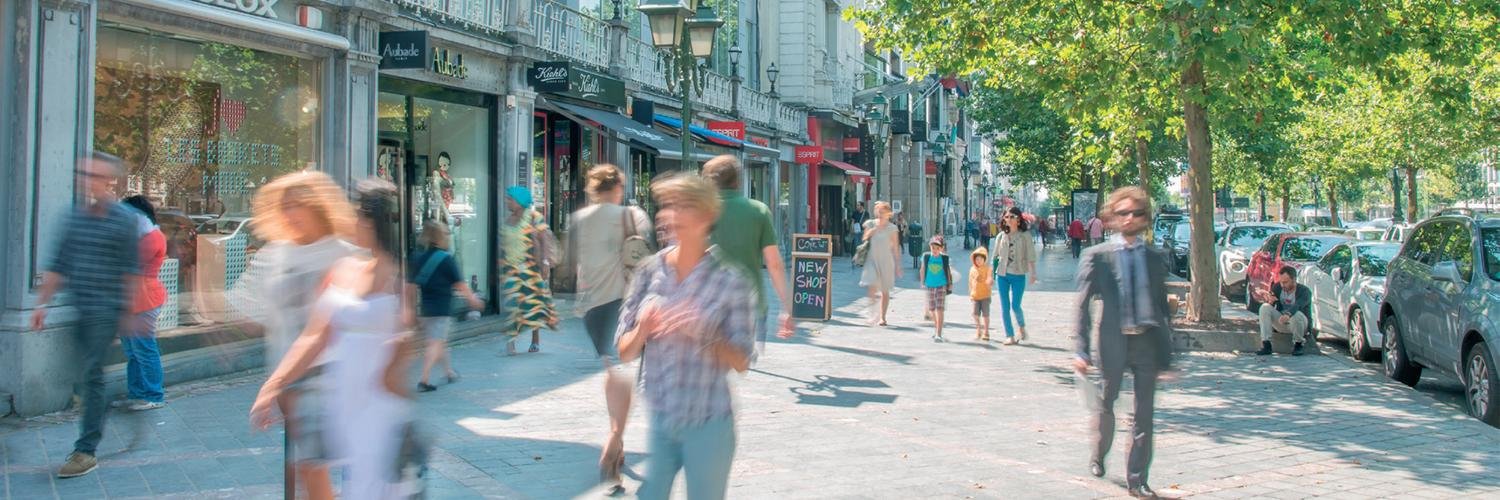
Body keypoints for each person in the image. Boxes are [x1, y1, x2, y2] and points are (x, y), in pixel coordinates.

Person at [252, 180, 421, 499]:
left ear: (374, 223)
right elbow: (314, 337)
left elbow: (405, 348)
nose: (353, 222)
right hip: (340, 406)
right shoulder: (343, 269)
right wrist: (273, 386)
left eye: (359, 216)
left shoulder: (399, 282)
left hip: (379, 413)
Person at [615, 173, 756, 500]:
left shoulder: (731, 282)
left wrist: (707, 333)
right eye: (667, 206)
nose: (669, 215)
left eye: (681, 206)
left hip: (709, 423)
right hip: (662, 419)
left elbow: (743, 361)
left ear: (706, 216)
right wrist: (643, 329)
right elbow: (624, 350)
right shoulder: (649, 271)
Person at [229, 170, 358, 498]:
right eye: (284, 206)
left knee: (310, 469)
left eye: (298, 204)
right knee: (301, 470)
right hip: (287, 379)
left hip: (326, 376)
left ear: (319, 207)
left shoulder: (342, 253)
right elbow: (246, 304)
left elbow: (339, 325)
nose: (290, 213)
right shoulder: (275, 252)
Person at [30, 152, 142, 479]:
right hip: (79, 308)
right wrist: (41, 305)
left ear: (110, 181)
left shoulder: (124, 220)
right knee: (84, 377)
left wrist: (129, 314)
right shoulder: (73, 217)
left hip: (105, 310)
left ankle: (85, 450)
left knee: (91, 373)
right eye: (84, 173)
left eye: (95, 175)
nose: (88, 180)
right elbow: (58, 264)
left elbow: (131, 272)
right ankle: (103, 402)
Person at [1072, 186, 1175, 499]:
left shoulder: (1156, 258)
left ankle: (1137, 479)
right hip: (1112, 343)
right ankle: (1099, 452)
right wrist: (1081, 350)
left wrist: (1168, 358)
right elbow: (1083, 303)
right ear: (1111, 219)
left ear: (1146, 218)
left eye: (1138, 213)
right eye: (1123, 213)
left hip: (1146, 344)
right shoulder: (1098, 257)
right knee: (1107, 402)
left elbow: (1162, 309)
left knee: (1144, 413)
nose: (1130, 218)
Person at [567, 165, 654, 493]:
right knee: (625, 376)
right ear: (618, 186)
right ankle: (613, 443)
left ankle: (617, 444)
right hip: (626, 303)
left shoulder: (578, 220)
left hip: (593, 307)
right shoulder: (632, 215)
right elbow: (647, 256)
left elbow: (572, 261)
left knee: (613, 374)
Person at [405, 220, 484, 392]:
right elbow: (461, 285)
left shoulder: (418, 258)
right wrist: (473, 301)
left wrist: (410, 309)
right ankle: (424, 380)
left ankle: (449, 372)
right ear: (442, 237)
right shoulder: (447, 259)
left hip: (424, 310)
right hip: (441, 310)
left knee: (440, 341)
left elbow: (410, 287)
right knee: (435, 342)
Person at [116, 195, 168, 411]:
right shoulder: (140, 234)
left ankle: (154, 395)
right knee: (133, 351)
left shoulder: (150, 236)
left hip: (143, 298)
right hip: (131, 297)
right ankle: (136, 393)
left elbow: (131, 266)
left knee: (144, 349)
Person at [500, 186, 559, 355]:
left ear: (519, 201)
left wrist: (546, 262)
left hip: (530, 269)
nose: (507, 202)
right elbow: (505, 246)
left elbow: (545, 239)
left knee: (534, 305)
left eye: (510, 199)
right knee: (513, 305)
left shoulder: (534, 217)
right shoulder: (508, 220)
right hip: (511, 270)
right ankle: (511, 342)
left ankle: (535, 339)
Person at [992, 207, 1039, 345]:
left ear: (1018, 220)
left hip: (1018, 274)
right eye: (1006, 217)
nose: (1009, 219)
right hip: (1002, 274)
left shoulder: (1025, 236)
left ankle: (1021, 327)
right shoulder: (1001, 236)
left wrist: (1033, 273)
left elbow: (1030, 255)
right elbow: (995, 257)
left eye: (1012, 217)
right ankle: (1010, 335)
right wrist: (991, 274)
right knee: (1005, 306)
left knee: (1015, 305)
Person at [860, 201, 903, 326]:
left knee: (885, 290)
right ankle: (872, 313)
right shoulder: (871, 223)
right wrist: (872, 231)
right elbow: (864, 238)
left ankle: (882, 317)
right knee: (872, 285)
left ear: (888, 214)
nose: (880, 215)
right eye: (878, 212)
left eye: (882, 212)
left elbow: (895, 247)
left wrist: (898, 265)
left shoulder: (892, 228)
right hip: (872, 259)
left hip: (886, 261)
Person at [1256, 266, 1312, 356]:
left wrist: (1288, 314)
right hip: (1282, 322)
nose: (1282, 285)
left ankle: (1298, 344)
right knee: (1264, 307)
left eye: (1285, 282)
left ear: (1294, 280)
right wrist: (1270, 301)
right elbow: (1271, 307)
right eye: (1281, 282)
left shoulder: (1304, 291)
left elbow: (1298, 305)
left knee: (1297, 314)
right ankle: (1266, 344)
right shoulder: (1277, 287)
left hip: (1299, 325)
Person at [918, 236, 954, 342]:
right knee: (932, 309)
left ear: (941, 249)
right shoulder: (926, 257)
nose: (935, 250)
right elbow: (922, 270)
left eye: (937, 248)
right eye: (933, 248)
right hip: (929, 285)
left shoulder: (944, 258)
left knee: (940, 309)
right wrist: (922, 282)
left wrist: (949, 284)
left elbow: (948, 271)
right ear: (930, 247)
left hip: (941, 286)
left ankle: (939, 333)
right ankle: (937, 326)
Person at [969, 246, 993, 341]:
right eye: (977, 259)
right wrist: (970, 293)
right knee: (975, 314)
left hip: (985, 295)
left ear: (984, 259)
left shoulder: (988, 269)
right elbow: (970, 282)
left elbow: (990, 279)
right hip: (975, 295)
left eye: (981, 259)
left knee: (986, 315)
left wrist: (988, 281)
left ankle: (986, 331)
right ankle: (978, 329)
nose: (978, 261)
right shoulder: (972, 269)